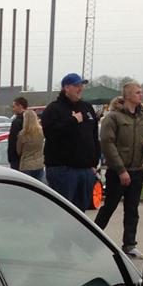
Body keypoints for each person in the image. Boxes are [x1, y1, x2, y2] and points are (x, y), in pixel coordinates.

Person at [95, 81, 143, 259]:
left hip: (137, 169)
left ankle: (130, 244)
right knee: (110, 206)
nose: (141, 95)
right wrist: (121, 170)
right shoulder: (113, 117)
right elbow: (107, 144)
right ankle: (93, 239)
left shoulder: (142, 115)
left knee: (132, 209)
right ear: (127, 95)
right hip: (118, 171)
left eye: (141, 92)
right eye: (137, 92)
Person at [40, 72, 102, 208]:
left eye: (81, 85)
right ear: (66, 88)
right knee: (64, 213)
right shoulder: (54, 109)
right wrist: (72, 121)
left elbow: (94, 137)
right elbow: (50, 133)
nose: (80, 89)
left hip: (86, 170)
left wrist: (94, 163)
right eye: (76, 85)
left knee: (81, 214)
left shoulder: (87, 107)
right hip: (63, 170)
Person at [16, 107, 46, 181]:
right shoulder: (41, 131)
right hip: (39, 163)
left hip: (26, 165)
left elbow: (18, 151)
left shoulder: (22, 134)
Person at [7, 97, 29, 171]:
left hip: (17, 159)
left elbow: (13, 141)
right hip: (32, 160)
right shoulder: (33, 121)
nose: (13, 109)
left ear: (20, 106)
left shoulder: (17, 122)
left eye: (14, 106)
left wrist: (11, 157)